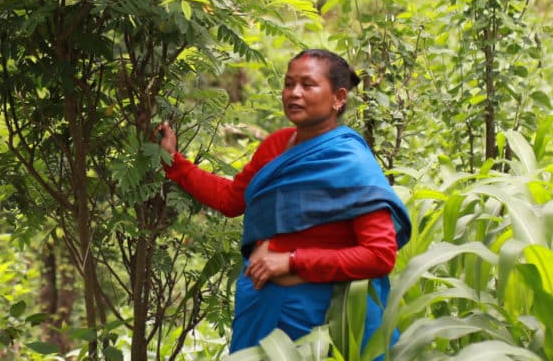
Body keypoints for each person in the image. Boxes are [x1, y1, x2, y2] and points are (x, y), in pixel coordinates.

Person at [157, 48, 411, 354]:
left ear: (338, 97)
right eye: (289, 84)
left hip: (318, 323)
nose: (294, 93)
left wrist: (291, 261)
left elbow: (379, 255)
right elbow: (231, 199)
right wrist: (174, 162)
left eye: (308, 85)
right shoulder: (277, 145)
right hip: (260, 309)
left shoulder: (352, 163)